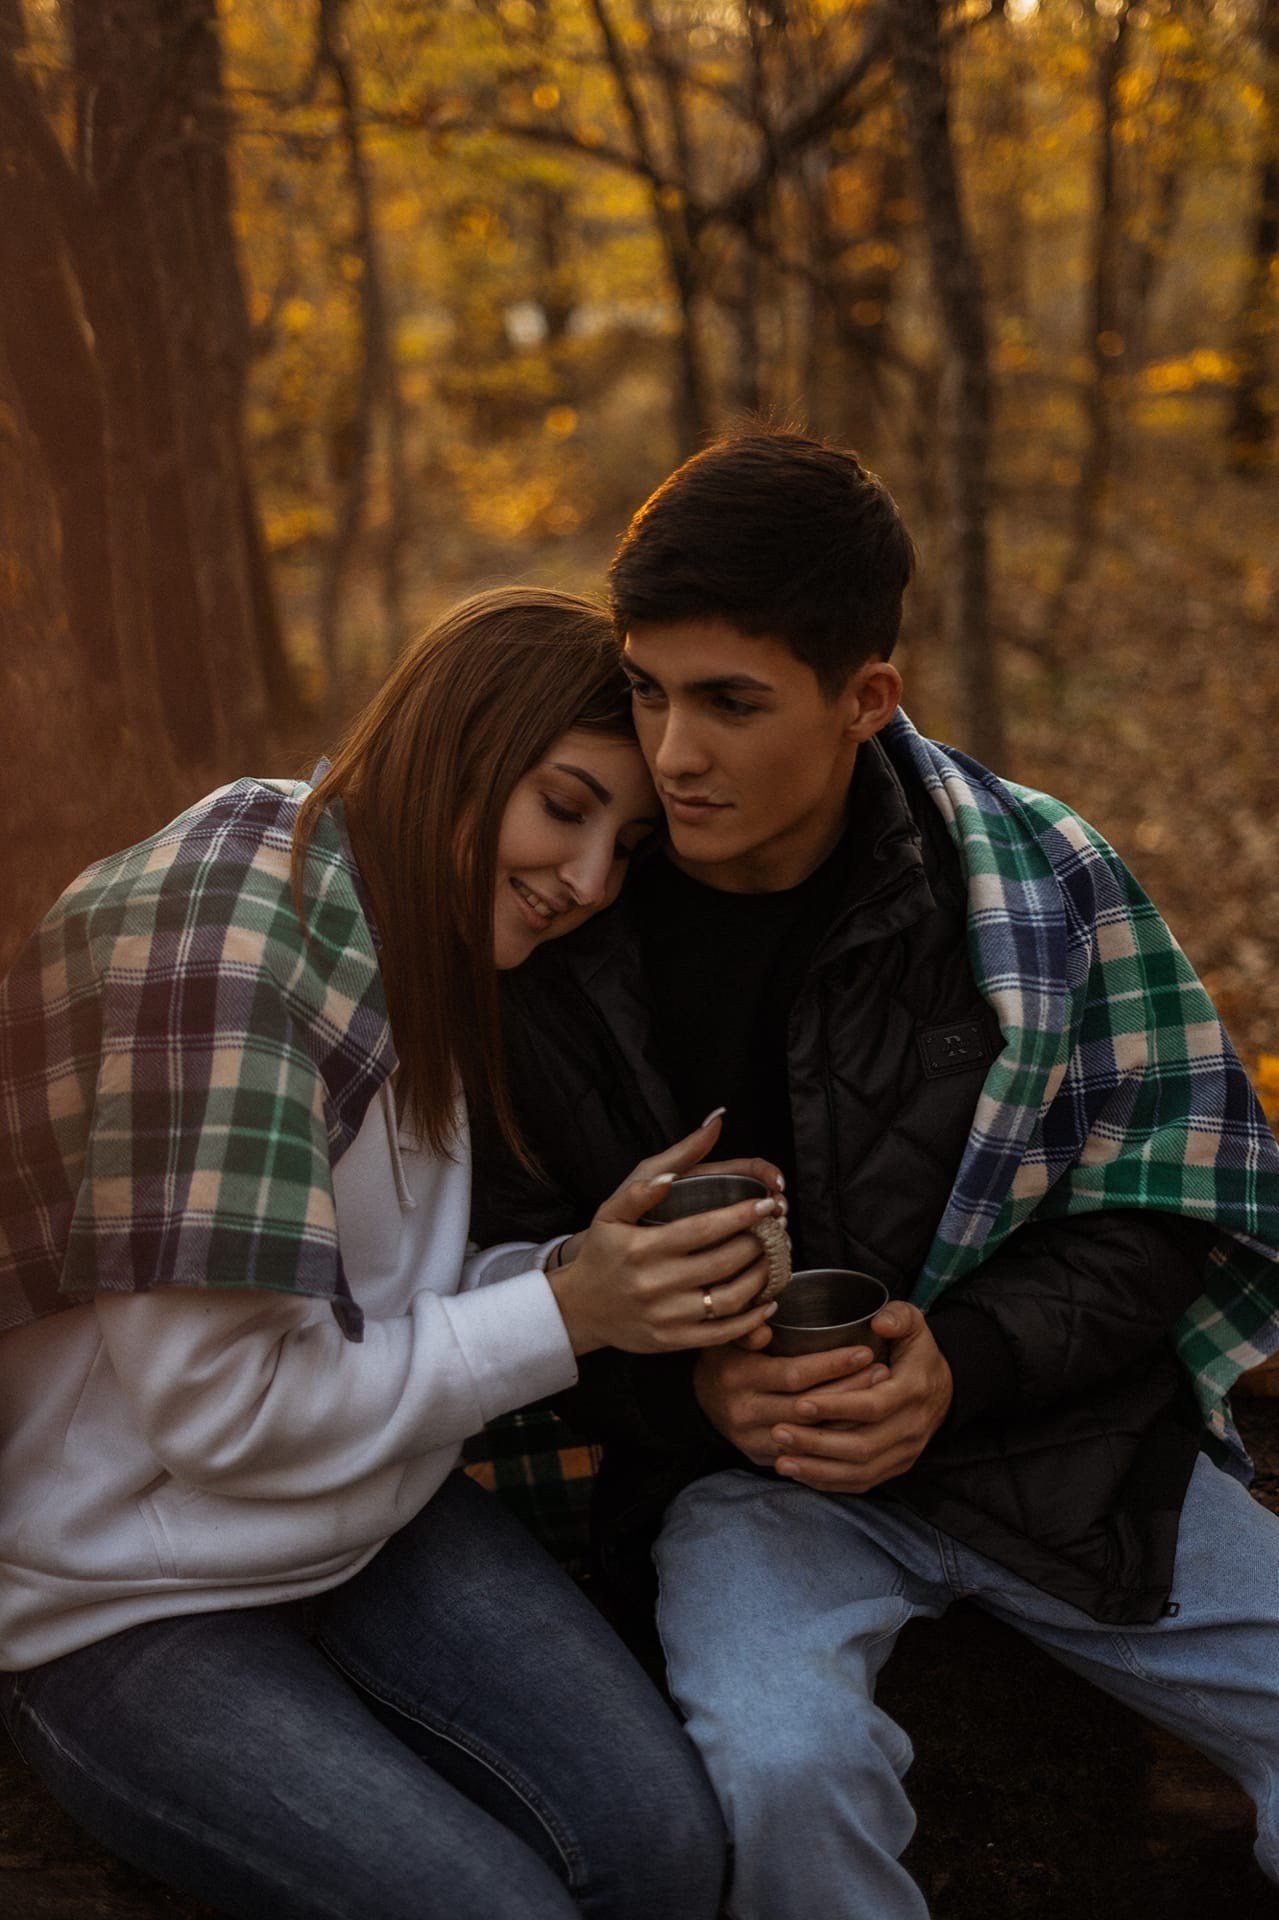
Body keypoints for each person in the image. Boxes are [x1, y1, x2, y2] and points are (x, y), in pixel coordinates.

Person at [470, 437, 1279, 1918]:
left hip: (1065, 1451)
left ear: (866, 699)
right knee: (785, 1769)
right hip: (739, 1485)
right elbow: (498, 1277)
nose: (673, 753)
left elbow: (1163, 1208)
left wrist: (958, 1364)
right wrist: (698, 1398)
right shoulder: (558, 923)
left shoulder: (1033, 879)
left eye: (731, 703)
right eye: (647, 691)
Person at [0, 586, 788, 1920]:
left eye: (626, 841)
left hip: (366, 1519)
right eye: (564, 806)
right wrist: (564, 1318)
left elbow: (370, 1309)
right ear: (454, 751)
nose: (590, 881)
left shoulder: (406, 928)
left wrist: (587, 1275)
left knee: (662, 1852)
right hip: (117, 1584)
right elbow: (224, 1410)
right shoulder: (233, 935)